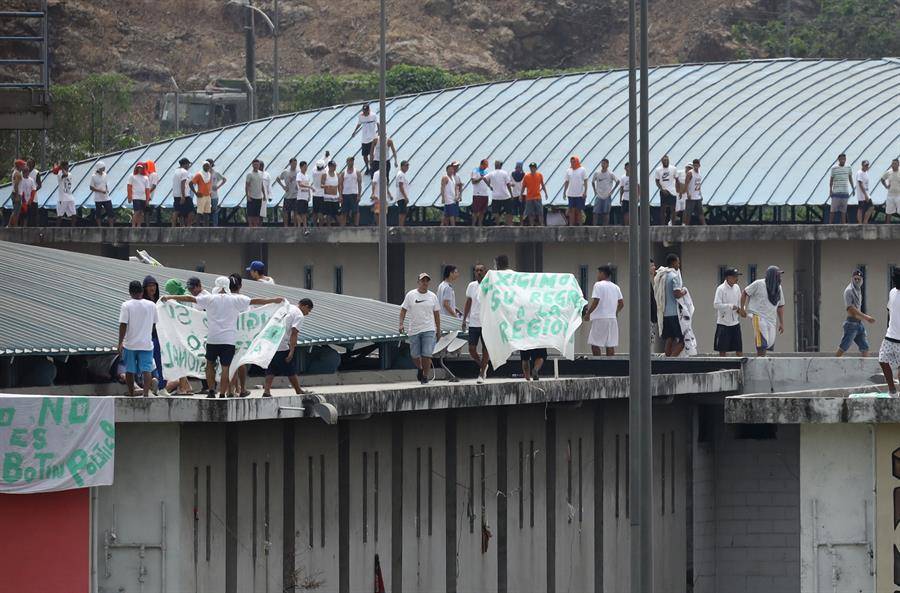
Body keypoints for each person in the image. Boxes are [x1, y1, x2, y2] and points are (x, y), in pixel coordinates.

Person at [163, 275, 285, 398]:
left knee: (209, 364)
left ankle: (211, 391)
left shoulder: (209, 299)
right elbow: (255, 301)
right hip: (229, 340)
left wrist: (169, 297)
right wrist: (274, 300)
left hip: (212, 339)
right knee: (226, 367)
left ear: (216, 285)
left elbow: (189, 298)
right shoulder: (235, 299)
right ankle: (222, 393)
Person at [262, 298, 314, 397]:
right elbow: (294, 333)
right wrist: (291, 351)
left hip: (271, 341)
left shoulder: (287, 307)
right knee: (290, 369)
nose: (308, 313)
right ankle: (298, 390)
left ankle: (267, 391)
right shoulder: (299, 315)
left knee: (271, 368)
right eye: (309, 310)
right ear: (305, 306)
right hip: (282, 344)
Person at [118, 280, 159, 397]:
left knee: (130, 370)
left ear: (130, 292)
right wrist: (147, 333)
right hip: (146, 344)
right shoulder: (151, 305)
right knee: (147, 369)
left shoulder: (126, 305)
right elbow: (154, 323)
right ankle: (146, 394)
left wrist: (120, 342)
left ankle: (131, 393)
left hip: (130, 344)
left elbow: (123, 324)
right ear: (142, 291)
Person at [400, 272, 441, 384]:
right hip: (414, 329)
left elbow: (437, 314)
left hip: (429, 328)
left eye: (427, 281)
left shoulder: (433, 296)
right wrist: (401, 323)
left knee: (426, 354)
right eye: (423, 280)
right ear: (418, 282)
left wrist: (438, 329)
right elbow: (403, 310)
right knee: (414, 355)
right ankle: (420, 368)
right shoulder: (411, 295)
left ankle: (425, 376)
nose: (425, 283)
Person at [741, 266, 785, 356]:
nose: (780, 278)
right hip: (758, 316)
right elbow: (745, 292)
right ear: (772, 276)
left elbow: (780, 306)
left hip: (771, 319)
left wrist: (781, 322)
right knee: (762, 343)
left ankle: (762, 359)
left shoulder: (779, 288)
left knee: (769, 343)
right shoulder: (759, 283)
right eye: (778, 275)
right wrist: (742, 308)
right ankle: (760, 362)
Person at [584, 265, 624, 355]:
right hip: (612, 319)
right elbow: (621, 303)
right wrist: (616, 312)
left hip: (600, 318)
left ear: (602, 273)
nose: (597, 275)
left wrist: (588, 313)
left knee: (594, 343)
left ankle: (598, 364)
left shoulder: (598, 285)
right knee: (610, 344)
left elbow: (596, 301)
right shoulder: (615, 287)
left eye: (598, 273)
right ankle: (610, 365)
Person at [836, 269, 875, 357]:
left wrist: (862, 319)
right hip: (851, 324)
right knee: (843, 347)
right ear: (852, 278)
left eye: (859, 279)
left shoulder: (858, 289)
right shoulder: (849, 290)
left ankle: (866, 369)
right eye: (855, 279)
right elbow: (851, 309)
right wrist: (866, 317)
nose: (857, 281)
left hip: (858, 323)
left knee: (865, 347)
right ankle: (832, 364)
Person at [462, 263, 490, 384]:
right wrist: (464, 319)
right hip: (473, 321)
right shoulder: (471, 285)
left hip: (486, 322)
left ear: (485, 272)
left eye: (481, 270)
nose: (479, 272)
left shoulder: (489, 285)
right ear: (474, 272)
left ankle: (481, 373)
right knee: (472, 349)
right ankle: (483, 366)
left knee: (485, 349)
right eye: (477, 270)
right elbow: (468, 302)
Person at [878, 268, 900, 395]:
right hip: (890, 336)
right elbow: (889, 310)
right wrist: (888, 327)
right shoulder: (892, 292)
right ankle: (892, 390)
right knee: (882, 360)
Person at [713, 268, 745, 356]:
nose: (737, 278)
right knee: (722, 349)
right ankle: (722, 366)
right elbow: (716, 305)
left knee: (739, 348)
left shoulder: (737, 288)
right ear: (728, 277)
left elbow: (739, 302)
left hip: (735, 322)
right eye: (735, 276)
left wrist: (742, 309)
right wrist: (730, 306)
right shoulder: (720, 289)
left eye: (737, 276)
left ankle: (739, 366)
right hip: (723, 323)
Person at [660, 253, 686, 357]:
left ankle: (666, 359)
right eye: (678, 262)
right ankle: (672, 359)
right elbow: (677, 294)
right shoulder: (674, 276)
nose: (678, 265)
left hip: (666, 313)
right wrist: (684, 291)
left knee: (669, 338)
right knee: (683, 340)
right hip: (675, 314)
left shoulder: (664, 276)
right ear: (673, 262)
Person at [352, 103, 379, 174]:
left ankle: (372, 167)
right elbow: (359, 123)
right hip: (364, 139)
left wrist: (379, 132)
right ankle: (367, 167)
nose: (364, 112)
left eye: (366, 111)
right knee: (364, 155)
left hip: (372, 138)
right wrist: (354, 131)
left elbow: (378, 123)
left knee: (371, 154)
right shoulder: (361, 116)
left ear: (368, 110)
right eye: (363, 111)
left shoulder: (373, 115)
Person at [591, 158, 618, 226]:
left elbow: (617, 181)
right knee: (595, 212)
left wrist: (612, 190)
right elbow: (592, 182)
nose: (603, 165)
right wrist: (595, 191)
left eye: (604, 163)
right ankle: (594, 226)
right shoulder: (597, 173)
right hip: (599, 195)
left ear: (607, 165)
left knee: (606, 212)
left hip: (607, 195)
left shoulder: (610, 174)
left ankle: (605, 226)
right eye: (602, 163)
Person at [486, 160, 513, 226]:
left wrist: (489, 186)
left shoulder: (491, 173)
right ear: (501, 165)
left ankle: (497, 224)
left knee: (496, 212)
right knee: (508, 211)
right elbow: (508, 184)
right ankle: (508, 224)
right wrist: (511, 194)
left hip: (495, 196)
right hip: (505, 195)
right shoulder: (504, 173)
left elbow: (484, 178)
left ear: (495, 165)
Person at [563, 155, 588, 226]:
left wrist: (585, 192)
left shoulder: (582, 170)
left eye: (573, 162)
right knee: (571, 210)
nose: (572, 163)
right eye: (571, 162)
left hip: (579, 194)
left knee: (579, 210)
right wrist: (564, 192)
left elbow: (585, 181)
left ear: (577, 162)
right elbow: (566, 182)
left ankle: (580, 225)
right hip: (570, 194)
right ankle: (571, 225)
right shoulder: (568, 171)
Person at [829, 153, 853, 224]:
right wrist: (830, 190)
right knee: (833, 210)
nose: (843, 160)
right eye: (841, 159)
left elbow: (850, 177)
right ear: (838, 159)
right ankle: (829, 224)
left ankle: (843, 224)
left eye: (844, 159)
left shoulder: (848, 167)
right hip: (836, 192)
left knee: (843, 210)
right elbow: (831, 180)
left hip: (845, 192)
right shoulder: (834, 168)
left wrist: (852, 187)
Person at [522, 162, 548, 226]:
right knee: (531, 213)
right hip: (529, 197)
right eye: (531, 167)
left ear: (536, 168)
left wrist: (545, 193)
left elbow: (542, 184)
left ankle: (541, 224)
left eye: (533, 167)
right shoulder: (526, 176)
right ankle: (531, 225)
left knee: (540, 212)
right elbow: (523, 186)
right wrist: (520, 195)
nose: (532, 169)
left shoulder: (539, 175)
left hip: (537, 197)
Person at [655, 155, 678, 225]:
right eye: (664, 160)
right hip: (664, 190)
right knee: (663, 209)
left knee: (673, 209)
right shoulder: (658, 170)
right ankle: (662, 225)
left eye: (667, 160)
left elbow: (677, 179)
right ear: (662, 161)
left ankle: (673, 224)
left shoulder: (673, 168)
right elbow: (657, 181)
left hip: (672, 191)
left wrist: (678, 190)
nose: (666, 161)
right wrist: (661, 189)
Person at [276, 158, 300, 227]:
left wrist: (298, 186)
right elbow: (278, 179)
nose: (294, 165)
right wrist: (283, 186)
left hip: (296, 194)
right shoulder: (285, 171)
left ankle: (295, 226)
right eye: (293, 163)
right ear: (290, 163)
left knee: (296, 211)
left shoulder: (298, 171)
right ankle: (285, 225)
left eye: (295, 164)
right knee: (286, 211)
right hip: (288, 195)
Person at [189, 162, 214, 227]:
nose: (207, 167)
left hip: (208, 196)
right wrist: (195, 192)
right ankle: (198, 227)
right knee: (199, 212)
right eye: (206, 166)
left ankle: (206, 227)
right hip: (201, 195)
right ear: (203, 166)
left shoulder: (209, 174)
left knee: (207, 213)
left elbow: (210, 185)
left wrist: (210, 193)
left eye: (208, 166)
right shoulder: (199, 174)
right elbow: (190, 183)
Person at [90, 161, 114, 227]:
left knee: (110, 212)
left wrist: (106, 189)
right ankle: (99, 227)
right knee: (98, 213)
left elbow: (105, 184)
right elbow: (91, 187)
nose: (104, 169)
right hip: (98, 198)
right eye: (102, 168)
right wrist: (100, 191)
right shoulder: (94, 176)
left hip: (106, 197)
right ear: (99, 168)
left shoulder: (105, 174)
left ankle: (111, 226)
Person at [172, 157, 194, 227]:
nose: (188, 166)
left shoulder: (176, 171)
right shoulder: (184, 172)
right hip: (184, 195)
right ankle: (188, 226)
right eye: (188, 164)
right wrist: (183, 196)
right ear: (185, 164)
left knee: (177, 211)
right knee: (191, 211)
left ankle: (173, 226)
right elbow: (183, 184)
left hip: (176, 195)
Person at [128, 163, 151, 228]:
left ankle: (139, 225)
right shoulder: (132, 176)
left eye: (141, 168)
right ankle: (133, 225)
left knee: (141, 212)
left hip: (143, 197)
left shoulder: (145, 177)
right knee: (137, 211)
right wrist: (129, 197)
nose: (139, 169)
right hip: (135, 196)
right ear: (136, 168)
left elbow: (147, 189)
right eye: (138, 168)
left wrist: (147, 200)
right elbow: (129, 187)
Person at [684, 159, 706, 225]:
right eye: (694, 165)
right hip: (691, 196)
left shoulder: (699, 172)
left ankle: (704, 225)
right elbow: (686, 183)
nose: (696, 167)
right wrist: (688, 194)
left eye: (697, 165)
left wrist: (700, 194)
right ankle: (686, 225)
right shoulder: (690, 173)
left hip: (697, 196)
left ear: (699, 165)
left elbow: (699, 184)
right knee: (689, 213)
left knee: (701, 212)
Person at [54, 161, 76, 227]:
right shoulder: (60, 173)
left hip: (70, 196)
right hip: (62, 197)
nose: (68, 167)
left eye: (68, 166)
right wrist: (60, 168)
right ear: (63, 167)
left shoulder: (70, 174)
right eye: (66, 166)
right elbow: (64, 175)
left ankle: (73, 228)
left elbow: (67, 174)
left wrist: (61, 167)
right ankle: (57, 229)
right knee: (60, 215)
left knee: (74, 213)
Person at [319, 160, 340, 226]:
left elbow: (339, 186)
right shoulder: (325, 175)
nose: (334, 167)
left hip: (335, 197)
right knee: (328, 214)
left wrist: (340, 195)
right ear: (329, 166)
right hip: (327, 197)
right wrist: (327, 186)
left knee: (337, 213)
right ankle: (328, 226)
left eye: (334, 166)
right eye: (332, 166)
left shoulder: (337, 174)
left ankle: (339, 226)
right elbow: (321, 185)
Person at [471, 159, 491, 226]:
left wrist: (490, 186)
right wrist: (480, 178)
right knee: (475, 211)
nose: (486, 167)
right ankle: (473, 224)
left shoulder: (486, 172)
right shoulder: (475, 171)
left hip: (485, 194)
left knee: (483, 211)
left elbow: (487, 181)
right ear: (481, 164)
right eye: (485, 165)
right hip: (477, 194)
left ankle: (480, 223)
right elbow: (473, 182)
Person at [245, 159, 265, 227]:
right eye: (255, 164)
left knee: (257, 213)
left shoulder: (261, 173)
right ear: (252, 165)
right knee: (251, 213)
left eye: (257, 164)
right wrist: (247, 196)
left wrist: (264, 194)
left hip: (259, 196)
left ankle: (256, 226)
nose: (256, 166)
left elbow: (261, 184)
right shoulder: (249, 174)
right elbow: (247, 185)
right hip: (251, 196)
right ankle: (250, 225)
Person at [206, 159, 226, 226]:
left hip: (214, 195)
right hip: (206, 195)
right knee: (206, 211)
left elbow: (224, 179)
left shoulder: (216, 173)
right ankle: (206, 226)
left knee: (214, 210)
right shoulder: (204, 173)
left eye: (209, 164)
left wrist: (218, 187)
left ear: (212, 164)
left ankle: (215, 226)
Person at [7, 159, 26, 228]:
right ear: (19, 166)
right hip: (16, 194)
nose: (24, 166)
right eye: (23, 165)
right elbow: (16, 185)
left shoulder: (16, 172)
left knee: (16, 211)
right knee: (16, 211)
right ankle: (13, 225)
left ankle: (11, 225)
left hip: (16, 193)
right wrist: (17, 195)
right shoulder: (17, 173)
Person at [24, 158, 41, 227]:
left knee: (34, 215)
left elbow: (39, 185)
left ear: (33, 164)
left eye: (30, 163)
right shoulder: (24, 172)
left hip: (33, 198)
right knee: (25, 214)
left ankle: (35, 229)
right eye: (28, 163)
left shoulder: (36, 173)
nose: (28, 164)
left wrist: (33, 191)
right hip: (25, 197)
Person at [295, 160, 312, 228]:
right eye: (304, 167)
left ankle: (305, 226)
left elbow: (307, 185)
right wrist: (309, 187)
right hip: (300, 197)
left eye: (306, 167)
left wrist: (309, 195)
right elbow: (300, 184)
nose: (306, 168)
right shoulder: (299, 175)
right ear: (301, 167)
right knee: (299, 213)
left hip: (305, 197)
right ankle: (300, 225)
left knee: (304, 213)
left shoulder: (307, 176)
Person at [882, 159, 900, 223]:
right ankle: (887, 226)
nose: (893, 165)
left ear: (898, 164)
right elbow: (882, 179)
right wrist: (886, 186)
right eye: (892, 164)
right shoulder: (889, 172)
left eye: (895, 164)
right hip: (890, 195)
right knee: (888, 212)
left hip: (899, 195)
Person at [393, 160, 410, 226]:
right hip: (401, 197)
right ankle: (400, 226)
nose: (407, 167)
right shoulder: (401, 174)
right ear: (402, 166)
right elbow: (401, 186)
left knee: (403, 212)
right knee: (402, 212)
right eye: (406, 166)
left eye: (408, 166)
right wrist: (405, 197)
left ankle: (401, 225)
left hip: (402, 196)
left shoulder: (401, 174)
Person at [856, 160, 873, 224]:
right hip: (862, 194)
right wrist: (865, 195)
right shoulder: (859, 173)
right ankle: (860, 222)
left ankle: (865, 221)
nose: (866, 166)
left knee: (871, 207)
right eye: (865, 165)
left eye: (867, 165)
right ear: (862, 165)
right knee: (860, 208)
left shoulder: (866, 172)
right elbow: (860, 184)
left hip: (866, 193)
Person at [310, 160, 327, 226]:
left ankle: (314, 225)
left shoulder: (314, 172)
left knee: (315, 211)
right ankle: (320, 226)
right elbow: (322, 184)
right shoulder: (324, 173)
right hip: (321, 194)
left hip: (315, 194)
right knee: (320, 212)